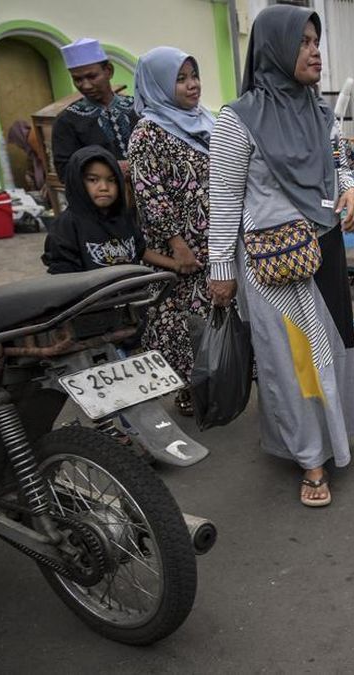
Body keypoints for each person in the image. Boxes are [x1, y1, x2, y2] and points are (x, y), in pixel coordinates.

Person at [208, 5, 354, 507]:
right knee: (293, 363)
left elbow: (339, 163)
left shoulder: (320, 112)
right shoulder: (238, 119)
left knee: (332, 352)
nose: (316, 51)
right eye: (304, 43)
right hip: (276, 263)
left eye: (317, 41)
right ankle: (311, 460)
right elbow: (226, 199)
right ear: (275, 48)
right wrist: (221, 270)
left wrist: (352, 190)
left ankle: (336, 437)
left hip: (326, 250)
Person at [128, 46, 216, 417]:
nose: (192, 85)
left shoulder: (205, 120)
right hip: (181, 248)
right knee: (181, 323)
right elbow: (151, 196)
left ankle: (217, 383)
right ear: (159, 84)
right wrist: (178, 246)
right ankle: (186, 391)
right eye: (180, 79)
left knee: (215, 317)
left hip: (215, 240)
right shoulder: (147, 133)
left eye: (193, 75)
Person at [42, 145, 144, 273]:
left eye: (111, 180)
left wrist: (173, 264)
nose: (104, 187)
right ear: (77, 181)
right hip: (93, 292)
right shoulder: (66, 226)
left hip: (132, 290)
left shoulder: (123, 218)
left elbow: (140, 250)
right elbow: (64, 280)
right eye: (93, 180)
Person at [51, 38, 139, 178]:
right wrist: (111, 169)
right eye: (78, 80)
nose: (85, 85)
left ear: (109, 71)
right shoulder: (67, 121)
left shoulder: (139, 109)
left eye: (92, 76)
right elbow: (65, 171)